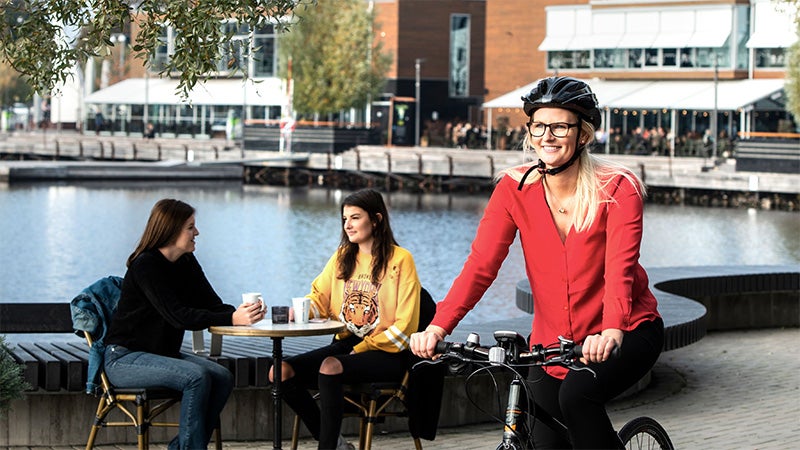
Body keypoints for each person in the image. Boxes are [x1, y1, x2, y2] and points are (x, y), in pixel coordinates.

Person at [410, 76, 664, 450]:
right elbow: (481, 265)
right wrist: (438, 326)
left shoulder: (617, 189)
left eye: (560, 126)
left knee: (577, 398)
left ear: (583, 134)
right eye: (539, 126)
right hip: (550, 346)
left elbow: (619, 270)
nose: (547, 136)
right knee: (544, 442)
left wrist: (611, 329)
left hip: (625, 331)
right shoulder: (514, 188)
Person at [103, 198, 265, 449]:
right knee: (196, 376)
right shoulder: (146, 265)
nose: (197, 232)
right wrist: (231, 318)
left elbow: (212, 304)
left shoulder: (186, 262)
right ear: (171, 229)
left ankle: (182, 447)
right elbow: (178, 316)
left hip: (161, 355)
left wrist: (244, 313)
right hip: (124, 358)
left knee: (222, 376)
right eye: (190, 227)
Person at [271, 188, 421, 450]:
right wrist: (301, 312)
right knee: (279, 371)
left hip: (388, 352)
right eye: (344, 219)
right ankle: (336, 444)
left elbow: (406, 326)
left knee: (330, 365)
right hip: (347, 345)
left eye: (355, 217)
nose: (348, 225)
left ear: (376, 219)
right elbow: (320, 299)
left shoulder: (401, 259)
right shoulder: (342, 257)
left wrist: (362, 348)